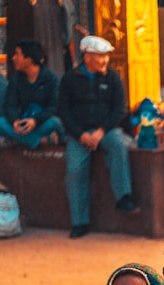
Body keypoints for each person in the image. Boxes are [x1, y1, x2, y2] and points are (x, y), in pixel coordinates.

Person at [58, 35, 137, 238]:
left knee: (119, 145)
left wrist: (102, 131)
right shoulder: (69, 80)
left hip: (107, 130)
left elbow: (119, 109)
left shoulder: (112, 78)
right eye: (100, 56)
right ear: (87, 58)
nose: (104, 61)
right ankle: (79, 222)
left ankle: (124, 197)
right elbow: (64, 112)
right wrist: (81, 134)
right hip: (79, 133)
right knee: (75, 169)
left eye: (106, 56)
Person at [0, 38, 64, 150]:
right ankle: (39, 141)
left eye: (17, 54)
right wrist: (14, 121)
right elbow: (10, 105)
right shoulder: (16, 79)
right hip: (23, 123)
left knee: (55, 122)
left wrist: (35, 121)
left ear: (28, 59)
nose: (13, 58)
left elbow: (53, 107)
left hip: (41, 123)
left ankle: (17, 139)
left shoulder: (51, 79)